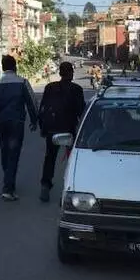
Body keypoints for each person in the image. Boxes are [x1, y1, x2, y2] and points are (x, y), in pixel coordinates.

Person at [0, 55, 38, 201]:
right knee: (14, 154)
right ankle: (8, 188)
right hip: (17, 122)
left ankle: (8, 181)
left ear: (3, 67)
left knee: (5, 152)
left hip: (1, 123)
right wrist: (34, 121)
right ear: (15, 67)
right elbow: (32, 102)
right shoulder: (22, 82)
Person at [38, 61, 86, 202]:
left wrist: (43, 128)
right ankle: (68, 190)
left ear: (60, 73)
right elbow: (81, 111)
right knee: (71, 161)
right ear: (71, 73)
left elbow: (43, 109)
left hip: (52, 130)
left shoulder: (50, 87)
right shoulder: (76, 89)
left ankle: (45, 186)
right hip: (69, 130)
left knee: (50, 158)